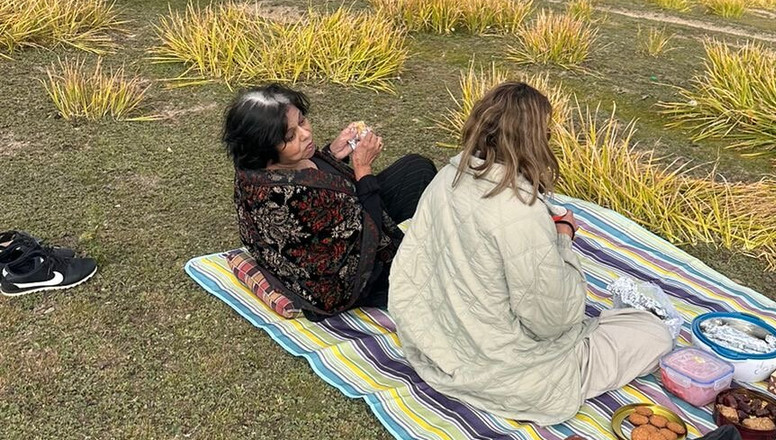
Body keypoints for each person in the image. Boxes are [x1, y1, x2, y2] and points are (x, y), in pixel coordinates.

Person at [389, 81, 673, 424]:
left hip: (436, 344)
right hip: (504, 371)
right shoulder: (520, 211)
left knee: (619, 324)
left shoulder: (448, 176)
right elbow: (552, 320)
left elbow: (416, 268)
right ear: (536, 139)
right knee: (653, 333)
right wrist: (563, 238)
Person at [222, 83, 436, 318]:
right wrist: (363, 168)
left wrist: (332, 154)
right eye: (290, 136)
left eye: (302, 121)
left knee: (417, 169)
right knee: (426, 273)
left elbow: (322, 183)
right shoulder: (295, 195)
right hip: (337, 281)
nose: (305, 134)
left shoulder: (256, 166)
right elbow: (365, 230)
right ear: (264, 148)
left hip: (347, 221)